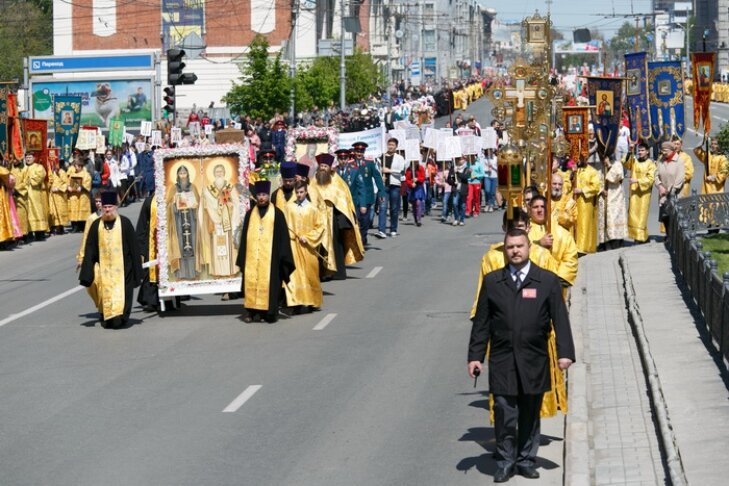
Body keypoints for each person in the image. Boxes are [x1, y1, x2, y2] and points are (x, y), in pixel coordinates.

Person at [468, 228, 575, 483]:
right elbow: (481, 322)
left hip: (534, 358)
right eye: (510, 247)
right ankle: (506, 461)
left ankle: (526, 459)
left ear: (529, 248)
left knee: (529, 412)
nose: (515, 251)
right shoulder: (494, 282)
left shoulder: (547, 281)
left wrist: (565, 353)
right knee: (505, 412)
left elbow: (560, 318)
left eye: (519, 246)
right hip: (503, 358)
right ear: (505, 250)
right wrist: (475, 357)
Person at [79, 191, 143, 329]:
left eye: (110, 207)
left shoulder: (125, 223)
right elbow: (90, 249)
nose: (107, 210)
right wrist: (87, 272)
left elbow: (134, 248)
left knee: (123, 296)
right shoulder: (96, 225)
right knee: (105, 294)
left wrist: (138, 272)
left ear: (116, 208)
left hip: (124, 269)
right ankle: (107, 316)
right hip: (105, 270)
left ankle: (122, 317)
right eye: (105, 207)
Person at [236, 180, 295, 323]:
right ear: (256, 196)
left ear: (268, 196)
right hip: (252, 258)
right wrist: (243, 256)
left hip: (271, 259)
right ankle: (251, 311)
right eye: (259, 195)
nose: (261, 198)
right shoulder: (250, 214)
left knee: (270, 284)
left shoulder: (277, 214)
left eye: (264, 195)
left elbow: (283, 239)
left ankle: (267, 313)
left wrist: (282, 257)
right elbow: (244, 238)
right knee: (251, 281)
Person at [309, 153, 364, 280]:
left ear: (330, 167)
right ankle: (322, 273)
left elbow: (344, 199)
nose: (323, 168)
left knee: (335, 244)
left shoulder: (337, 180)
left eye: (325, 166)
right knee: (319, 245)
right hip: (317, 218)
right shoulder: (313, 181)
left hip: (333, 218)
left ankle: (337, 272)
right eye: (321, 166)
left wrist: (342, 219)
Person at [283, 181, 325, 313]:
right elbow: (285, 226)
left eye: (301, 192)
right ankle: (296, 303)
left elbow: (320, 227)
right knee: (295, 275)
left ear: (306, 192)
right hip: (294, 245)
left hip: (308, 247)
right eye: (297, 193)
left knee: (309, 274)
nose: (299, 195)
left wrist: (308, 237)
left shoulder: (313, 209)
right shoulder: (289, 208)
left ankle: (312, 301)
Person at [528, 195, 579, 289]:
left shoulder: (562, 233)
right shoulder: (523, 231)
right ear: (529, 210)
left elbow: (571, 258)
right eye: (535, 207)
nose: (539, 210)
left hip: (556, 286)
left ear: (548, 209)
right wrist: (538, 244)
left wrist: (559, 280)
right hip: (530, 286)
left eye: (543, 207)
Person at [200, 164, 241, 277]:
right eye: (217, 172)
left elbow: (236, 202)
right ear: (214, 174)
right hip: (216, 221)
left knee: (228, 246)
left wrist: (229, 206)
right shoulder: (209, 189)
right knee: (217, 245)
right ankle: (217, 271)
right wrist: (207, 200)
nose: (219, 173)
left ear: (224, 173)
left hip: (227, 219)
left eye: (221, 171)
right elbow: (207, 203)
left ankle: (230, 270)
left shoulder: (229, 186)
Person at [166, 165, 201, 280]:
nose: (183, 176)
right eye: (180, 174)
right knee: (180, 247)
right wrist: (174, 202)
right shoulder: (173, 188)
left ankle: (193, 273)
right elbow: (168, 205)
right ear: (177, 175)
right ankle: (181, 274)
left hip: (191, 220)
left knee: (193, 246)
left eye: (184, 173)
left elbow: (199, 204)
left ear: (188, 174)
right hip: (178, 221)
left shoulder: (193, 187)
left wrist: (195, 205)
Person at [351, 142, 385, 246]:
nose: (359, 153)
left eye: (361, 151)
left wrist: (381, 192)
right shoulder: (350, 164)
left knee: (366, 220)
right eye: (357, 151)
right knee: (356, 219)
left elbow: (378, 178)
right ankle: (358, 240)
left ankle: (363, 236)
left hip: (367, 197)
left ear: (364, 152)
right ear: (354, 152)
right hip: (355, 197)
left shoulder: (370, 164)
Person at [623, 143, 656, 243]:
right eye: (639, 151)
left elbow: (650, 179)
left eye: (642, 150)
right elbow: (625, 163)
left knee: (641, 216)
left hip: (644, 194)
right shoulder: (635, 162)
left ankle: (641, 238)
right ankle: (638, 237)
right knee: (633, 216)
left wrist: (637, 181)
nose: (640, 152)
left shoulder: (650, 164)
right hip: (634, 194)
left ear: (647, 151)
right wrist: (630, 150)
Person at [597, 155, 628, 251]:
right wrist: (600, 190)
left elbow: (618, 177)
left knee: (614, 220)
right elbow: (595, 180)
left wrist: (609, 166)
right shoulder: (600, 165)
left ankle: (616, 241)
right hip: (603, 197)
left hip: (615, 197)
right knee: (603, 219)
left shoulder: (617, 164)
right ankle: (604, 242)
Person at [377, 138, 406, 238]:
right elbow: (377, 169)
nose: (390, 146)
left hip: (395, 185)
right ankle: (381, 230)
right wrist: (381, 172)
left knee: (394, 208)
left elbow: (401, 170)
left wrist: (389, 170)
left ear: (396, 146)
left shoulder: (399, 158)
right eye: (389, 144)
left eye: (392, 145)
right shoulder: (381, 157)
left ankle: (393, 229)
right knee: (383, 207)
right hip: (384, 185)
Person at [135, 192, 159, 311]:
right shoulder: (150, 201)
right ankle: (151, 300)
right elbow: (142, 225)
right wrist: (140, 247)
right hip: (152, 240)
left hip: (170, 239)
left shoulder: (173, 197)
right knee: (151, 269)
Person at [573, 156, 601, 254]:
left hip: (586, 203)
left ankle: (583, 248)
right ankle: (573, 246)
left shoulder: (592, 171)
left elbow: (596, 187)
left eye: (582, 158)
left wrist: (582, 190)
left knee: (584, 224)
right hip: (573, 202)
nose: (579, 160)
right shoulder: (575, 170)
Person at [655, 141, 685, 232]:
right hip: (663, 194)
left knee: (674, 218)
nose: (663, 152)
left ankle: (674, 237)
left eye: (665, 150)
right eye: (662, 150)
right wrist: (660, 186)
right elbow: (656, 175)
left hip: (675, 194)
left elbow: (680, 178)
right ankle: (668, 235)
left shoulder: (679, 161)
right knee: (665, 217)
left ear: (672, 150)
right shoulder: (661, 160)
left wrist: (672, 190)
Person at [24, 153, 49, 239]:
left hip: (35, 193)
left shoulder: (39, 167)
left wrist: (29, 179)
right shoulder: (23, 168)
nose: (28, 159)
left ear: (34, 158)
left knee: (37, 211)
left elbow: (41, 175)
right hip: (25, 193)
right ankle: (29, 233)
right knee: (27, 213)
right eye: (26, 157)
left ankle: (40, 233)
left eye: (30, 157)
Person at [48, 161, 69, 235]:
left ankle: (60, 227)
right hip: (52, 196)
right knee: (52, 211)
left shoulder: (62, 172)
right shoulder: (50, 173)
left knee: (60, 211)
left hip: (60, 196)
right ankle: (53, 227)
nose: (54, 166)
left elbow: (67, 183)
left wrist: (58, 188)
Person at [404, 158, 426, 227]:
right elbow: (407, 180)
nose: (415, 162)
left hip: (419, 187)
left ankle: (419, 219)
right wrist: (411, 183)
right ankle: (415, 218)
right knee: (414, 204)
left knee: (418, 202)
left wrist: (418, 179)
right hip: (411, 188)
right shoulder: (408, 169)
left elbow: (423, 178)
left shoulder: (421, 168)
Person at [452, 156, 470, 226]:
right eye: (458, 159)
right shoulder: (454, 168)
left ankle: (462, 220)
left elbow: (465, 177)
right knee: (454, 203)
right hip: (456, 189)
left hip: (463, 189)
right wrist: (453, 181)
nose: (459, 160)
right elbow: (450, 178)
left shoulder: (467, 168)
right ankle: (456, 218)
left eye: (461, 159)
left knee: (462, 205)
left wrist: (458, 173)